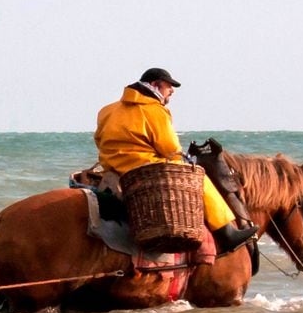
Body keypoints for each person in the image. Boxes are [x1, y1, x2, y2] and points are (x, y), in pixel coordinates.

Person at [94, 67, 254, 253]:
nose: (172, 91)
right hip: (145, 167)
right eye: (169, 87)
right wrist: (183, 158)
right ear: (155, 85)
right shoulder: (154, 110)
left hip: (112, 169)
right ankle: (226, 233)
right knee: (199, 177)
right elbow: (170, 148)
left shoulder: (107, 110)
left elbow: (98, 139)